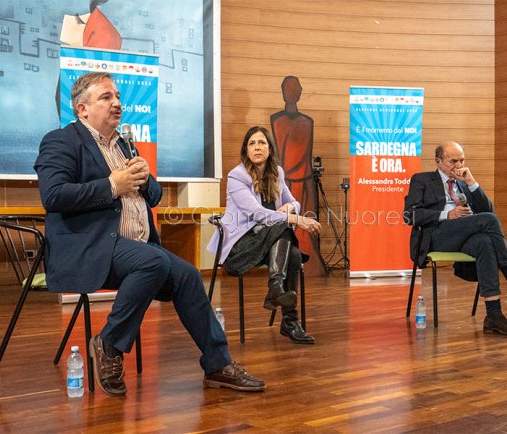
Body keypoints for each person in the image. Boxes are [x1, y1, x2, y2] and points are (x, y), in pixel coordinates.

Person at [34, 72, 264, 396]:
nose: (117, 103)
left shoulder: (125, 144)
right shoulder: (61, 141)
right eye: (106, 97)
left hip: (134, 248)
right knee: (154, 262)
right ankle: (109, 344)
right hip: (90, 248)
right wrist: (113, 185)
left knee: (187, 275)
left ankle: (217, 364)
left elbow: (152, 197)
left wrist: (146, 179)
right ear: (82, 109)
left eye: (117, 96)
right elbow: (54, 195)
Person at [403, 141, 507, 336]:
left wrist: (471, 182)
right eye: (453, 161)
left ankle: (493, 315)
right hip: (436, 236)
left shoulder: (464, 183)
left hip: (463, 234)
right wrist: (448, 214)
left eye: (462, 160)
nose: (459, 165)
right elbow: (409, 215)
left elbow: (489, 212)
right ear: (438, 162)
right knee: (487, 222)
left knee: (484, 242)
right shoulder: (422, 180)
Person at [207, 126, 322, 344]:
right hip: (240, 246)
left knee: (295, 255)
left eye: (262, 143)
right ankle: (278, 293)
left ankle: (287, 315)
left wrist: (289, 210)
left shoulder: (276, 172)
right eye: (252, 143)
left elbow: (294, 202)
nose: (257, 147)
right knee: (284, 228)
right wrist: (296, 218)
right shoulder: (236, 176)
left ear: (269, 148)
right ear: (246, 150)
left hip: (268, 241)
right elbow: (258, 214)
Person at [270, 76, 327, 275]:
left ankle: (307, 262)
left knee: (307, 226)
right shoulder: (276, 120)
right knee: (286, 226)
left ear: (300, 92)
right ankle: (285, 264)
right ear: (283, 91)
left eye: (295, 88)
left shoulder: (307, 122)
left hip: (305, 181)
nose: (292, 92)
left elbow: (306, 156)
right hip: (285, 183)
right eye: (288, 88)